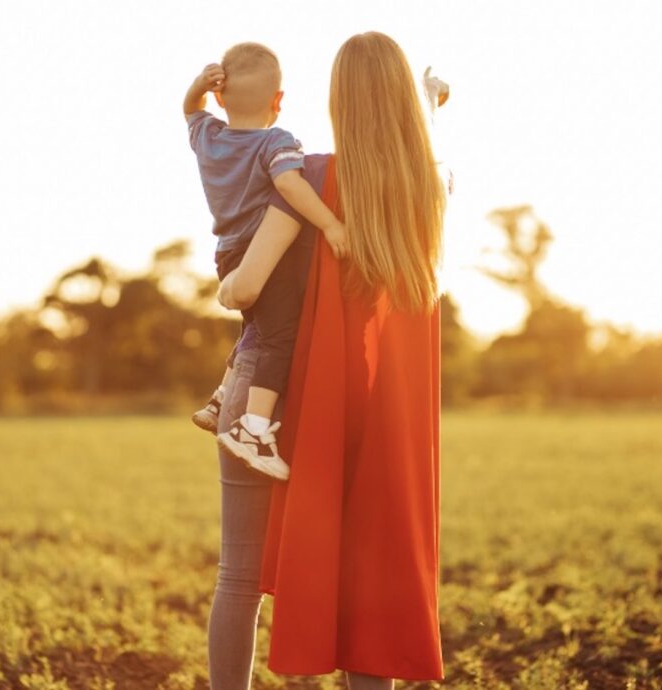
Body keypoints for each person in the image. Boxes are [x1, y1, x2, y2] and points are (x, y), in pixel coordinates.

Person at [207, 31, 448, 689]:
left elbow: (246, 289)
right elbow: (413, 158)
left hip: (275, 406)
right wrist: (430, 110)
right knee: (371, 590)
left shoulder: (308, 178)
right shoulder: (428, 193)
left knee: (241, 573)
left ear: (337, 101)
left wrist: (226, 283)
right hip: (376, 418)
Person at [183, 42, 348, 480]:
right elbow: (291, 187)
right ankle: (252, 429)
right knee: (280, 335)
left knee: (256, 326)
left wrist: (197, 86)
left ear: (219, 97)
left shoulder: (208, 137)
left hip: (228, 253)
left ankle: (222, 397)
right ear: (278, 100)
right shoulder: (276, 142)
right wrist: (331, 226)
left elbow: (189, 109)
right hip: (265, 252)